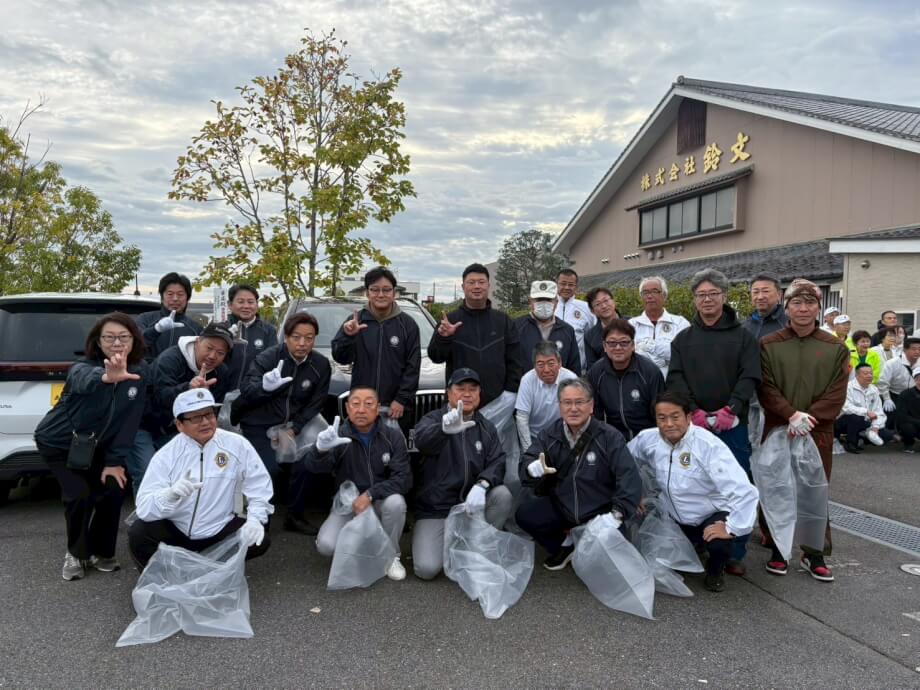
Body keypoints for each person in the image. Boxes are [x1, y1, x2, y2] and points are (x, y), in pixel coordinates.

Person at [34, 313, 147, 580]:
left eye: (123, 337)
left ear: (134, 340)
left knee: (114, 488)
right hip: (60, 443)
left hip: (97, 446)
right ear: (98, 342)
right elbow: (84, 379)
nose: (116, 342)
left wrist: (114, 461)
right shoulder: (83, 368)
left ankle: (101, 551)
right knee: (79, 494)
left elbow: (130, 422)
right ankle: (76, 553)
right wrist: (106, 377)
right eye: (109, 337)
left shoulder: (139, 374)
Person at [667, 268, 760, 576]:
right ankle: (698, 538)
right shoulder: (683, 339)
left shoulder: (742, 336)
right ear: (694, 300)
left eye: (712, 294)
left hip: (732, 424)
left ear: (724, 296)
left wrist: (731, 408)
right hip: (693, 425)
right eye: (701, 295)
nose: (706, 300)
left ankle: (734, 549)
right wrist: (692, 410)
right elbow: (676, 377)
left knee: (737, 482)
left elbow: (750, 375)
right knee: (693, 481)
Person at [758, 278, 849, 582]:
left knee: (814, 491)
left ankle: (814, 553)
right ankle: (777, 548)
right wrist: (789, 414)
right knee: (776, 488)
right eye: (796, 303)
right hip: (778, 428)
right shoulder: (769, 344)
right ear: (786, 308)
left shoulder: (834, 346)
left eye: (810, 303)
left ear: (818, 309)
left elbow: (838, 391)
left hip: (817, 431)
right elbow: (766, 387)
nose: (803, 308)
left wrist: (810, 417)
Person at [627, 391, 759, 592]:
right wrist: (636, 493)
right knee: (634, 519)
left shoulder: (708, 445)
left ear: (689, 417)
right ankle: (689, 546)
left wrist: (731, 528)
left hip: (709, 514)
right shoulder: (648, 439)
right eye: (662, 418)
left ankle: (715, 569)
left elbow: (744, 491)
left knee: (719, 543)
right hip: (672, 514)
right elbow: (626, 462)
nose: (669, 423)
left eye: (675, 416)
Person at [128, 388, 273, 568]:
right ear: (179, 425)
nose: (205, 422)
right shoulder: (166, 455)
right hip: (177, 530)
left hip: (218, 529)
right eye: (195, 418)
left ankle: (211, 566)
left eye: (209, 415)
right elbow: (144, 507)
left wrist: (255, 519)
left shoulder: (237, 445)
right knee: (139, 533)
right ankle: (168, 575)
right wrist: (169, 495)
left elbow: (259, 485)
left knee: (260, 538)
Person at [515, 378, 642, 571]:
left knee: (609, 566)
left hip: (599, 512)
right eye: (567, 402)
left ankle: (590, 549)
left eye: (579, 402)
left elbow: (628, 477)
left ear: (591, 406)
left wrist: (616, 514)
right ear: (560, 406)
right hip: (563, 507)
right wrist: (530, 468)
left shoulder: (609, 437)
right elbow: (530, 457)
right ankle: (566, 544)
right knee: (525, 515)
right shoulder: (550, 434)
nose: (573, 408)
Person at [411, 368, 514, 580]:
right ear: (448, 393)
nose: (467, 394)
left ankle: (478, 544)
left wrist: (483, 484)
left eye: (472, 389)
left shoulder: (486, 426)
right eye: (460, 389)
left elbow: (498, 460)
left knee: (502, 495)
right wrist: (442, 430)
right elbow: (421, 442)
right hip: (436, 509)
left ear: (479, 394)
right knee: (426, 569)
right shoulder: (432, 419)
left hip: (471, 507)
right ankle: (448, 540)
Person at [234, 312, 331, 535]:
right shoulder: (268, 358)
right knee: (268, 469)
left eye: (309, 337)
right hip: (259, 422)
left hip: (292, 423)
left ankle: (294, 515)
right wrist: (265, 388)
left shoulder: (320, 364)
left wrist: (294, 428)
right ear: (285, 337)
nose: (302, 343)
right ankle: (260, 518)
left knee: (308, 461)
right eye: (296, 337)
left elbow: (316, 403)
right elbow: (247, 389)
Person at [304, 387, 411, 581]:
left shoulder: (392, 436)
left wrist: (370, 494)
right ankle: (363, 545)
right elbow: (314, 468)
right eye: (355, 404)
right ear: (347, 408)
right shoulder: (337, 436)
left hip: (379, 500)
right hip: (348, 505)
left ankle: (391, 556)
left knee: (396, 503)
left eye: (369, 404)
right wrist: (319, 450)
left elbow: (403, 479)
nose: (361, 409)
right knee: (326, 546)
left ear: (378, 408)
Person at [331, 267, 420, 428]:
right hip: (362, 406)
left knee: (394, 451)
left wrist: (401, 399)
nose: (381, 295)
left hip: (395, 408)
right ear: (367, 292)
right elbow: (341, 358)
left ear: (394, 293)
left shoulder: (408, 325)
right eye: (375, 290)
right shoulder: (355, 321)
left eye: (386, 290)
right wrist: (347, 336)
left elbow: (413, 367)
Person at [428, 263, 521, 408]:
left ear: (488, 285)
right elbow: (435, 357)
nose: (477, 286)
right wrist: (444, 337)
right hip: (459, 402)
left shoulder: (503, 321)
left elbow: (515, 361)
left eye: (481, 282)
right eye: (471, 282)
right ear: (463, 286)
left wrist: (509, 393)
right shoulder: (450, 320)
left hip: (497, 403)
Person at [151, 322, 236, 447]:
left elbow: (214, 410)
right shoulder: (170, 359)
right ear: (197, 342)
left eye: (220, 353)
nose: (213, 356)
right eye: (209, 348)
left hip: (195, 430)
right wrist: (188, 389)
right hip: (155, 427)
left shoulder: (221, 372)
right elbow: (160, 397)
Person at [586, 319, 664, 441]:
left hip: (648, 437)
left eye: (624, 342)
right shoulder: (596, 372)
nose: (618, 347)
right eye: (612, 343)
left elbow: (660, 411)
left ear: (633, 345)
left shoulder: (650, 371)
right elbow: (595, 413)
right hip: (613, 438)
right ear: (605, 347)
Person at [515, 342, 578, 451]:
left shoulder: (571, 378)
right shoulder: (527, 380)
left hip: (563, 436)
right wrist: (529, 452)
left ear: (560, 363)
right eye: (540, 364)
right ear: (534, 366)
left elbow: (577, 412)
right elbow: (521, 418)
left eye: (551, 363)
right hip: (534, 437)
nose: (546, 370)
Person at [514, 280, 581, 375]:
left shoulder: (567, 330)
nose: (544, 303)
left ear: (556, 302)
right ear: (530, 302)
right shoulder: (516, 328)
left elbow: (574, 367)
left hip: (560, 388)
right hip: (526, 388)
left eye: (548, 300)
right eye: (539, 299)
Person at [628, 276, 690, 378]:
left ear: (664, 295)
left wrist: (647, 346)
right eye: (645, 293)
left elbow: (683, 355)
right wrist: (664, 357)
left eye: (654, 291)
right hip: (639, 381)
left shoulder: (680, 323)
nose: (649, 296)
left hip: (671, 384)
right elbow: (628, 356)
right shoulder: (631, 325)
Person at [135, 272, 202, 360]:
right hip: (147, 372)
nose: (175, 299)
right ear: (162, 297)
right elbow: (135, 345)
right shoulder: (145, 319)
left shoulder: (195, 328)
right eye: (170, 294)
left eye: (180, 294)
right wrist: (156, 330)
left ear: (187, 298)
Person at [226, 283, 278, 389]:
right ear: (230, 304)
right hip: (222, 393)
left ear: (257, 305)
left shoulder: (268, 331)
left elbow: (273, 363)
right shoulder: (221, 326)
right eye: (240, 302)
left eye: (250, 302)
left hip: (255, 394)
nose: (246, 306)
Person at [835, 363, 892, 453]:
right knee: (855, 417)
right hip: (842, 421)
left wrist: (875, 427)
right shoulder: (848, 387)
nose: (869, 376)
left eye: (871, 373)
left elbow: (879, 411)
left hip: (866, 422)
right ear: (857, 375)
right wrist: (866, 412)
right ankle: (851, 443)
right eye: (865, 373)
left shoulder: (874, 389)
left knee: (887, 436)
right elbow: (846, 407)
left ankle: (862, 437)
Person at [554, 268, 596, 373]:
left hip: (578, 372)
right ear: (557, 284)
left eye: (571, 284)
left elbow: (592, 337)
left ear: (576, 286)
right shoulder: (549, 306)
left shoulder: (586, 308)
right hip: (550, 371)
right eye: (563, 283)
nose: (567, 287)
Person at [877, 337, 920, 433]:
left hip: (915, 395)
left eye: (919, 349)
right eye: (914, 349)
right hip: (895, 394)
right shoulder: (892, 363)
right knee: (892, 416)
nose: (917, 352)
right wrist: (887, 398)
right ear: (905, 349)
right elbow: (883, 382)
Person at [584, 287, 627, 370]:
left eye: (606, 301)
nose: (604, 306)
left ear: (613, 301)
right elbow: (592, 368)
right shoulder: (590, 336)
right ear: (592, 311)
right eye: (598, 304)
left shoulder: (633, 323)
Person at [743, 274, 787, 340]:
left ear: (779, 294)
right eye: (756, 292)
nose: (760, 297)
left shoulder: (790, 324)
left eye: (766, 291)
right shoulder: (743, 327)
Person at [897, 367, 920, 453]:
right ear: (915, 380)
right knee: (907, 427)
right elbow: (902, 416)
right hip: (911, 424)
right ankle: (908, 444)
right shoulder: (905, 394)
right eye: (919, 378)